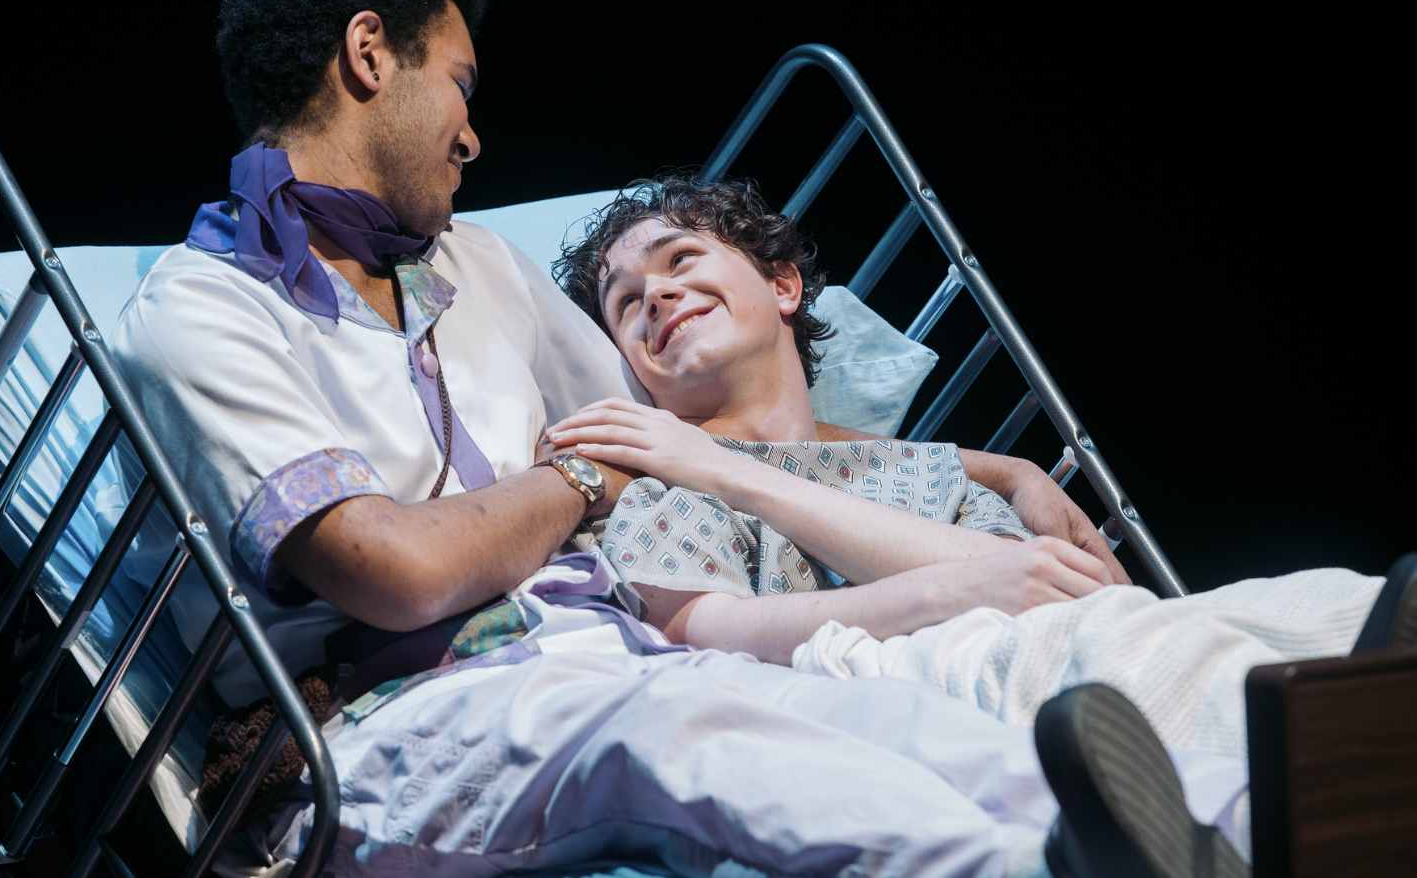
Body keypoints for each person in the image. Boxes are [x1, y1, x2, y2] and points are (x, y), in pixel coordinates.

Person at [110, 0, 1252, 877]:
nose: (472, 134)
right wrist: (578, 477)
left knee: (896, 722)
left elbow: (684, 432)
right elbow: (396, 572)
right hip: (390, 721)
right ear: (369, 55)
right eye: (458, 83)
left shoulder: (479, 266)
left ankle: (1248, 822)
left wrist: (986, 466)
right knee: (678, 730)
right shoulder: (203, 307)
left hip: (608, 652)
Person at [546, 175, 1395, 763]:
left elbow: (1045, 587)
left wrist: (743, 472)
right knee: (1125, 651)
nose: (655, 295)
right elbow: (697, 634)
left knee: (1319, 602)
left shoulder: (934, 477)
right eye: (625, 303)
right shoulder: (660, 481)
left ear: (784, 287)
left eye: (680, 260)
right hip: (872, 688)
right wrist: (940, 593)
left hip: (1035, 640)